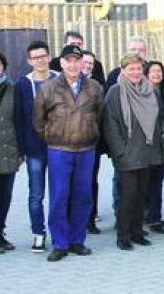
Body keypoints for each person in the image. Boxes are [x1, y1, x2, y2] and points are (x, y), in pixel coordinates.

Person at [33, 44, 103, 262]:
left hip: (85, 150)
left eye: (77, 60)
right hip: (59, 151)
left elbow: (100, 115)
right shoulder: (48, 88)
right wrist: (54, 137)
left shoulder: (94, 88)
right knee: (59, 197)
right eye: (68, 61)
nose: (73, 65)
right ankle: (60, 243)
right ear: (61, 63)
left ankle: (77, 241)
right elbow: (38, 120)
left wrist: (90, 133)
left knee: (83, 197)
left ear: (83, 63)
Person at [102, 53, 163, 251]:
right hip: (127, 152)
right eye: (131, 69)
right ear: (123, 71)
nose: (136, 72)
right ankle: (123, 235)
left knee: (142, 194)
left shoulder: (151, 91)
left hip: (147, 151)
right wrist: (120, 150)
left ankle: (137, 232)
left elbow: (159, 118)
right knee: (128, 195)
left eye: (138, 68)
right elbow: (109, 124)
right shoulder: (115, 91)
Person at [14, 41, 58, 252]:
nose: (40, 60)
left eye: (43, 56)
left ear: (49, 57)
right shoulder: (23, 84)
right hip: (34, 149)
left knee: (60, 192)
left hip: (60, 146)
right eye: (35, 57)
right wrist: (22, 149)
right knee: (36, 194)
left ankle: (60, 232)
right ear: (29, 61)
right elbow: (19, 118)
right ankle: (38, 234)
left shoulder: (60, 78)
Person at [143, 60, 164, 234]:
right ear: (147, 74)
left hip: (163, 145)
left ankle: (155, 218)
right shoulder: (143, 92)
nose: (156, 74)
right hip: (148, 145)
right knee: (145, 184)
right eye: (153, 71)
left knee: (157, 184)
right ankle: (145, 217)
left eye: (159, 71)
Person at [0, 52, 19, 253]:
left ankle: (1, 233)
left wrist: (20, 150)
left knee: (5, 197)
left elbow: (20, 121)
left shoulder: (13, 90)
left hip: (8, 150)